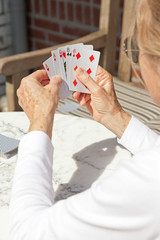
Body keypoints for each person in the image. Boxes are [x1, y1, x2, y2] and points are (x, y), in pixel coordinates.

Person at [8, 0, 160, 239]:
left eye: (134, 48)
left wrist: (39, 122)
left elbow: (26, 233)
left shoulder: (149, 183)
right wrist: (116, 117)